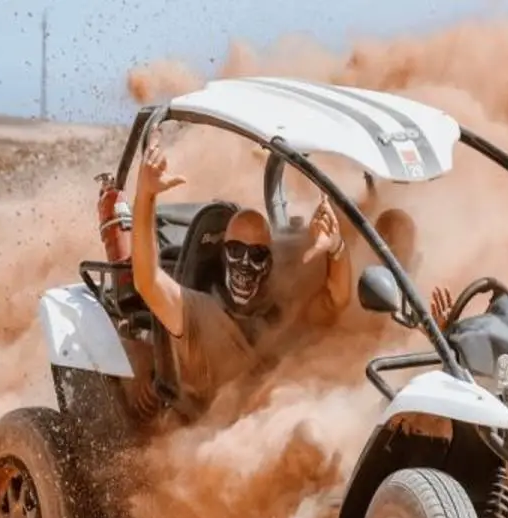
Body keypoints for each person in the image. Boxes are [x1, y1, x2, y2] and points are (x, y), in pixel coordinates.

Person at [129, 129, 354, 407]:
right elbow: (147, 280)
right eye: (236, 251)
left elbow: (336, 299)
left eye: (257, 254)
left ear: (268, 261)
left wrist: (336, 247)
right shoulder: (200, 313)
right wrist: (146, 195)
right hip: (213, 437)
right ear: (223, 253)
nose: (245, 263)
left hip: (273, 416)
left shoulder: (278, 307)